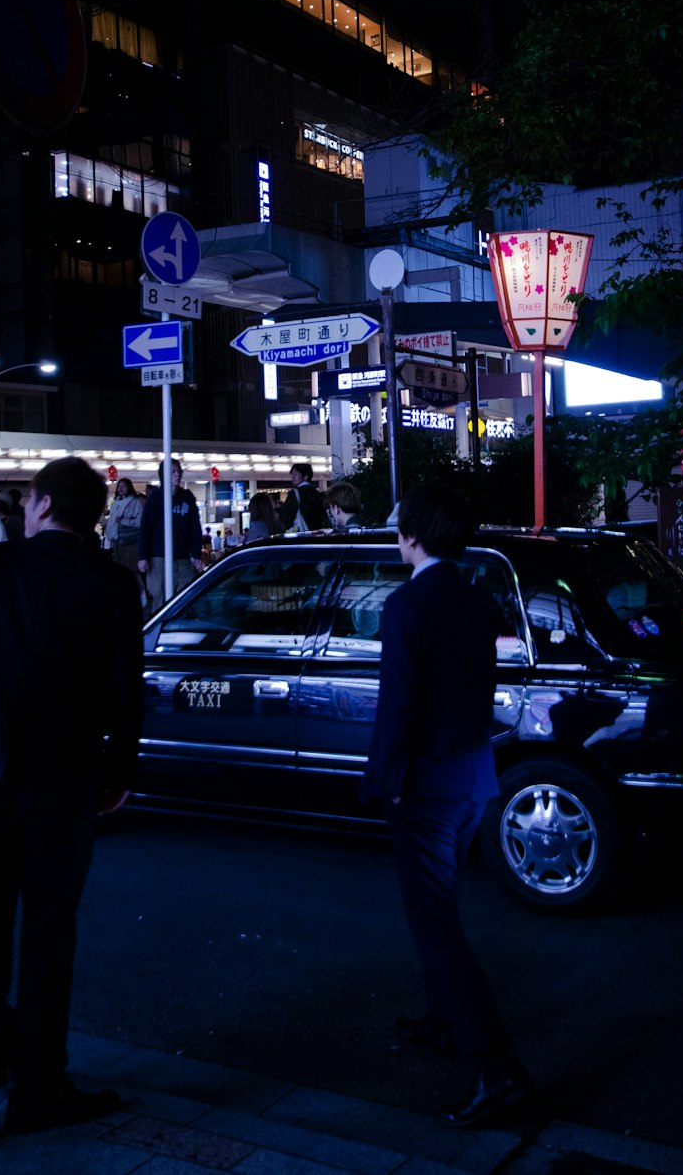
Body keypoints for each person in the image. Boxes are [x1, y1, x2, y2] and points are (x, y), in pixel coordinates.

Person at [0, 455, 143, 1133]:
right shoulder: (113, 585)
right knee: (48, 930)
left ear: (37, 505)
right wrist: (118, 772)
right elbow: (127, 691)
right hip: (64, 779)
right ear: (95, 513)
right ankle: (38, 1085)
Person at [361, 482, 528, 1128]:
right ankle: (441, 1022)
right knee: (442, 906)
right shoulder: (476, 601)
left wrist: (388, 777)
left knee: (435, 925)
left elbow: (398, 702)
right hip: (470, 778)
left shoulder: (407, 606)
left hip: (424, 786)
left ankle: (497, 1066)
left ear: (413, 535)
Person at [136, 459, 203, 612]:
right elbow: (145, 528)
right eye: (173, 471)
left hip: (183, 557)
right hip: (159, 557)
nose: (177, 474)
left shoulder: (187, 497)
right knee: (161, 600)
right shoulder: (155, 499)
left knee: (186, 598)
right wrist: (142, 556)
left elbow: (195, 527)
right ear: (163, 475)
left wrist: (196, 553)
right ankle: (160, 631)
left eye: (179, 471)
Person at [104, 478, 145, 590]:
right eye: (119, 486)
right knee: (119, 571)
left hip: (129, 542)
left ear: (129, 488)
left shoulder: (134, 502)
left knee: (130, 571)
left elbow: (140, 521)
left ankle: (139, 595)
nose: (121, 489)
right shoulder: (116, 502)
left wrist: (124, 521)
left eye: (124, 486)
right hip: (117, 541)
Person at [278, 462, 327, 533]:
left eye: (296, 474)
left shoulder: (294, 493)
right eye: (292, 475)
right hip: (317, 533)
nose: (293, 477)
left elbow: (286, 515)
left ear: (305, 476)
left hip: (300, 533)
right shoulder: (316, 493)